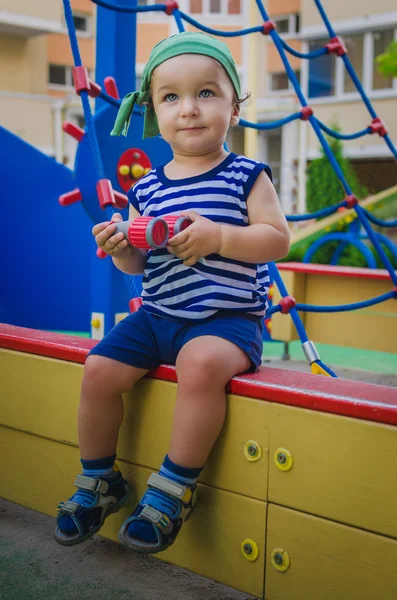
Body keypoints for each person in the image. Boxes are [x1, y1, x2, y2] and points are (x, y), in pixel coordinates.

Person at [55, 31, 290, 554]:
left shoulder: (246, 176)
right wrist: (119, 245)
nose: (189, 109)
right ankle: (99, 480)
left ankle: (174, 486)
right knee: (97, 371)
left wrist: (221, 236)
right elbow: (138, 264)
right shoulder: (147, 188)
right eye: (171, 97)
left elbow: (277, 240)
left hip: (227, 321)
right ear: (153, 113)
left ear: (235, 108)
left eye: (206, 93)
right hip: (158, 315)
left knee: (201, 365)